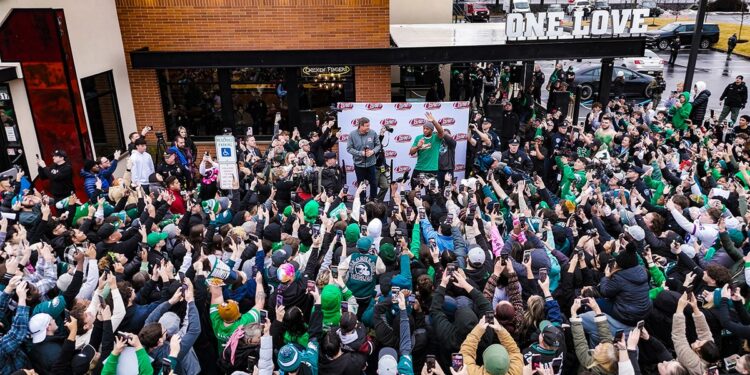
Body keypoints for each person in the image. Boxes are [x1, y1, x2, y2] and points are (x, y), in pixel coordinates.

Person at [346, 117, 380, 200]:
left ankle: (373, 200)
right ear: (360, 126)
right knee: (361, 184)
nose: (369, 127)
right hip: (359, 164)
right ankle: (362, 202)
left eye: (369, 125)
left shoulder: (373, 133)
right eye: (366, 126)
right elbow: (349, 149)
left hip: (371, 163)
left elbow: (378, 145)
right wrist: (360, 153)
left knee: (373, 183)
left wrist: (373, 152)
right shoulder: (352, 135)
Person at [409, 112, 445, 189]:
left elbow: (441, 132)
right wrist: (418, 147)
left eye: (427, 129)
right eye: (424, 128)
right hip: (419, 169)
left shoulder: (436, 138)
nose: (425, 130)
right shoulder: (418, 138)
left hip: (432, 170)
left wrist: (434, 121)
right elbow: (411, 152)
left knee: (432, 191)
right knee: (414, 190)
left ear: (432, 130)